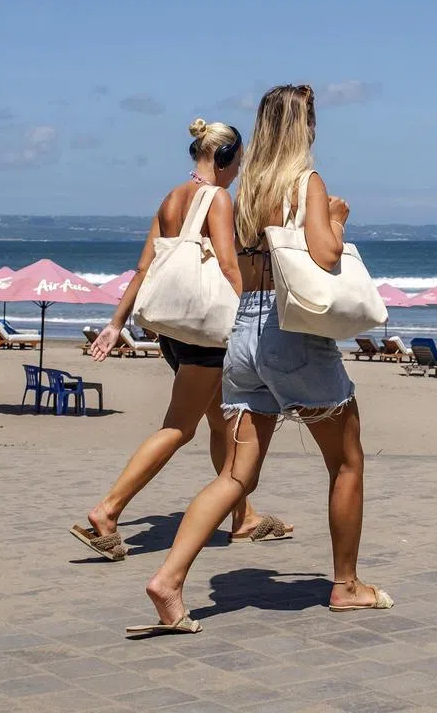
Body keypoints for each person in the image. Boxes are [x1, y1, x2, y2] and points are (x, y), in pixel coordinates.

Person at [137, 86, 391, 634]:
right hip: (291, 335)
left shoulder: (244, 187)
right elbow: (323, 257)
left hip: (243, 333)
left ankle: (170, 580)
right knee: (347, 461)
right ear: (306, 128)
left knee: (236, 473)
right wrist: (339, 220)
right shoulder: (305, 182)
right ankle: (347, 586)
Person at [72, 118, 288, 562]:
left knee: (219, 423)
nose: (237, 172)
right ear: (224, 158)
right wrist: (255, 318)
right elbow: (229, 267)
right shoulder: (218, 199)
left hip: (173, 332)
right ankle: (107, 512)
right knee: (178, 427)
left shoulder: (172, 198)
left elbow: (143, 268)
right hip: (206, 335)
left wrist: (116, 323)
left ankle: (243, 516)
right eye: (238, 163)